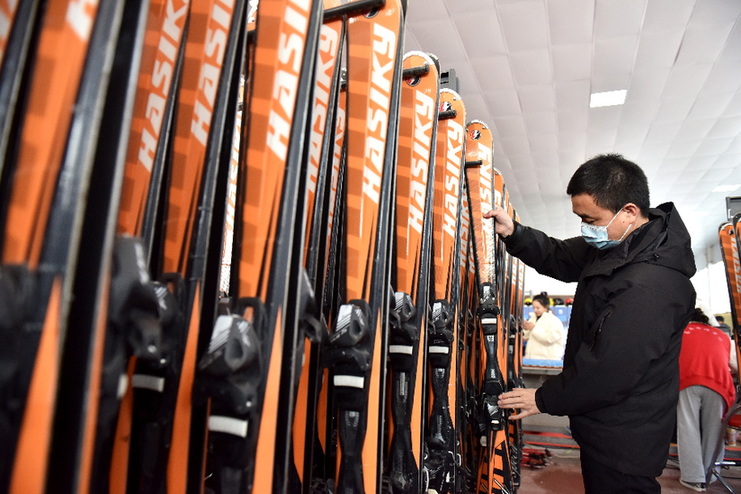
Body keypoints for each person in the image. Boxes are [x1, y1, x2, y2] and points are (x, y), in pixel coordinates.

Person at [485, 154, 697, 493]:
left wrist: (543, 399)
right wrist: (515, 234)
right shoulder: (618, 246)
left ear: (629, 211)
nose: (585, 228)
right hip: (605, 423)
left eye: (590, 219)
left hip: (625, 435)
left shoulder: (651, 285)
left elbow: (612, 368)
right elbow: (560, 255)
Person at [677, 308, 737, 492]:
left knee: (688, 427)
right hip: (719, 382)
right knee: (715, 429)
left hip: (687, 380)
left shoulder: (679, 332)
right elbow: (735, 365)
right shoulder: (722, 336)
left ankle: (693, 478)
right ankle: (711, 472)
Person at [523, 293, 566, 360]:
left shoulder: (554, 321)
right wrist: (525, 328)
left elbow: (549, 339)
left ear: (546, 307)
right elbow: (526, 337)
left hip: (548, 361)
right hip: (532, 359)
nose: (535, 310)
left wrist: (533, 328)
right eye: (534, 308)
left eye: (538, 308)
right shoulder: (533, 319)